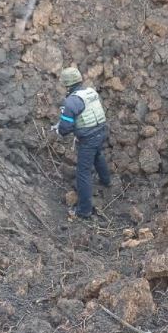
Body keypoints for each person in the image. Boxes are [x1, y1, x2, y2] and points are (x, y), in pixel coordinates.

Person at [52, 66, 111, 219]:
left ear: (66, 84)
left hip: (88, 139)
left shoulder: (71, 102)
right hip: (101, 132)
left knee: (83, 172)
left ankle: (84, 210)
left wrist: (59, 130)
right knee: (98, 156)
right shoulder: (90, 92)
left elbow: (65, 129)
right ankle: (106, 181)